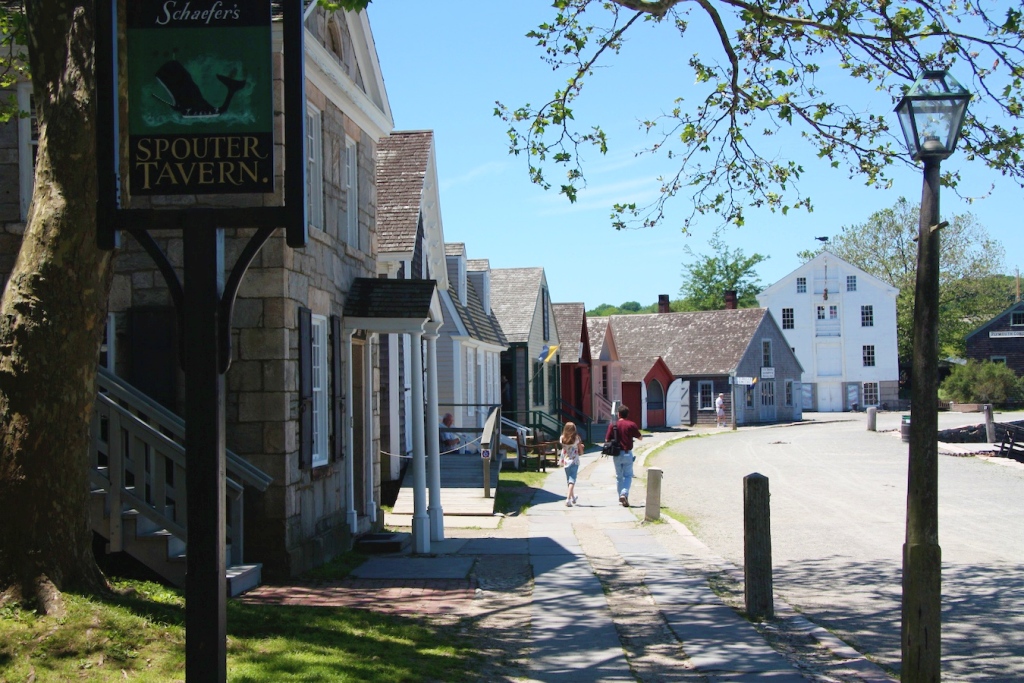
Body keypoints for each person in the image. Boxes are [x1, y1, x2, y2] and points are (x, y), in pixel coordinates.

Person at [606, 404, 642, 507]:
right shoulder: (631, 425)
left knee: (619, 476)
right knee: (628, 475)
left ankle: (620, 497)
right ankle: (624, 493)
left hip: (616, 454)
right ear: (627, 414)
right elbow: (640, 437)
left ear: (619, 414)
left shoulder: (613, 425)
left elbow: (606, 440)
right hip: (627, 453)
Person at [559, 421, 584, 507]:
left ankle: (573, 497)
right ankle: (568, 499)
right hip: (574, 461)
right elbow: (581, 450)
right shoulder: (577, 438)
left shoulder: (562, 438)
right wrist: (581, 449)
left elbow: (564, 447)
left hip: (566, 461)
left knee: (568, 480)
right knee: (572, 480)